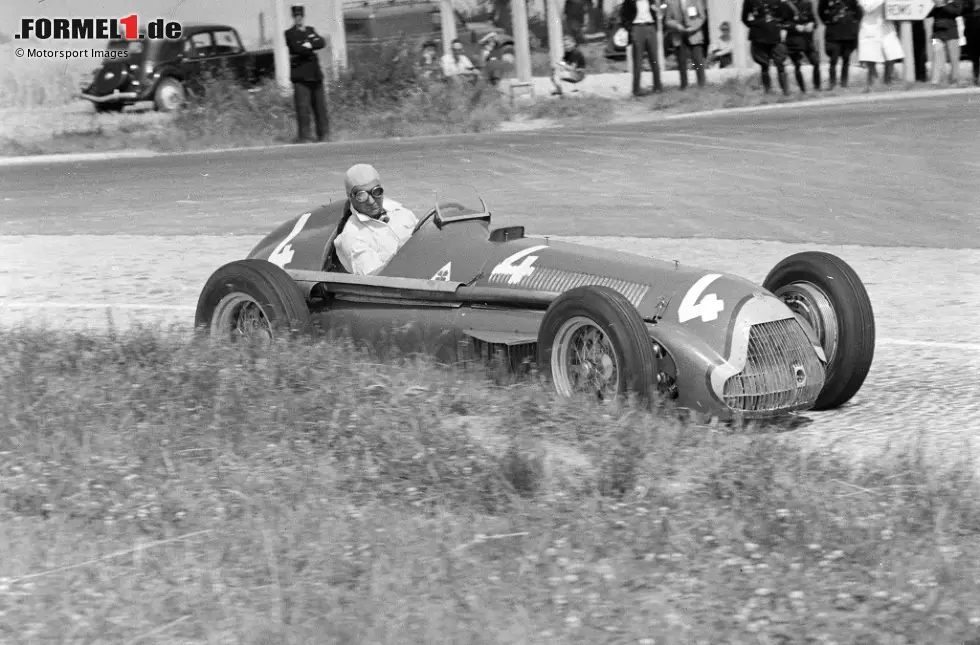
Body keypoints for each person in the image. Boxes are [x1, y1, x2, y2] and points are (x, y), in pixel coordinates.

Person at [334, 165, 419, 276]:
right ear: (350, 197)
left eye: (376, 192)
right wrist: (400, 254)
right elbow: (373, 279)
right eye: (362, 195)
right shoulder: (353, 235)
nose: (371, 201)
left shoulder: (401, 212)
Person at [284, 5, 329, 143]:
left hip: (315, 74)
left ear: (303, 17)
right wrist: (309, 43)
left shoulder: (310, 30)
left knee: (320, 107)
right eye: (296, 16)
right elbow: (296, 48)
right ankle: (304, 137)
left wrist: (308, 44)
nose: (299, 18)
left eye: (300, 16)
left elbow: (321, 42)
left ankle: (324, 135)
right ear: (293, 17)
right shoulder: (289, 33)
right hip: (301, 76)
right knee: (303, 108)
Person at [741, 0, 794, 95]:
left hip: (775, 35)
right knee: (764, 64)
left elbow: (786, 15)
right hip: (759, 37)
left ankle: (786, 92)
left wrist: (783, 28)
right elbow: (744, 18)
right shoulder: (749, 1)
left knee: (780, 63)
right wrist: (756, 25)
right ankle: (768, 91)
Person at [620, 0, 665, 96]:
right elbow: (623, 17)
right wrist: (631, 30)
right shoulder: (629, 2)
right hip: (637, 28)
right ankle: (636, 89)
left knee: (654, 58)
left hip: (651, 26)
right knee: (638, 60)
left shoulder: (651, 1)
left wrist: (658, 16)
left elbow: (660, 11)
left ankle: (657, 86)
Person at [857, 0, 904, 90]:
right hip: (870, 27)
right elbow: (868, 7)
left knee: (892, 54)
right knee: (870, 58)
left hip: (887, 27)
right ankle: (875, 82)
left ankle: (888, 81)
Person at [818, 0, 862, 89]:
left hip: (848, 33)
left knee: (846, 58)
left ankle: (844, 83)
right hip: (833, 32)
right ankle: (832, 84)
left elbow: (858, 12)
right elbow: (821, 11)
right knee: (833, 59)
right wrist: (828, 21)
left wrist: (853, 22)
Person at [665, 0, 708, 88]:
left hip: (694, 34)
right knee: (681, 62)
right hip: (679, 35)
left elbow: (702, 17)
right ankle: (684, 86)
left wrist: (694, 28)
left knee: (698, 60)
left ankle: (702, 84)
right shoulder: (671, 2)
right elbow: (668, 20)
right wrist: (677, 25)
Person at [785, 0, 822, 91]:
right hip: (793, 41)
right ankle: (803, 90)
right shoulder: (785, 5)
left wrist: (812, 24)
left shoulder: (807, 4)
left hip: (807, 40)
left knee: (816, 62)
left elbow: (815, 21)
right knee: (797, 65)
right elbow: (783, 23)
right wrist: (795, 27)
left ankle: (817, 87)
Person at [928, 0, 965, 84]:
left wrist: (943, 4)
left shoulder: (955, 2)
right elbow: (926, 14)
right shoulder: (933, 3)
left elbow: (957, 12)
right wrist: (934, 5)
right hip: (936, 35)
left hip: (952, 34)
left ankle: (954, 80)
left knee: (954, 57)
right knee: (936, 54)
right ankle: (935, 81)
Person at [965, 0, 980, 84]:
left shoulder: (969, 16)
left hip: (973, 41)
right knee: (975, 61)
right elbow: (966, 31)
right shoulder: (969, 16)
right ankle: (976, 78)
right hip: (973, 41)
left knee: (975, 62)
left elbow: (966, 31)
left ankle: (976, 78)